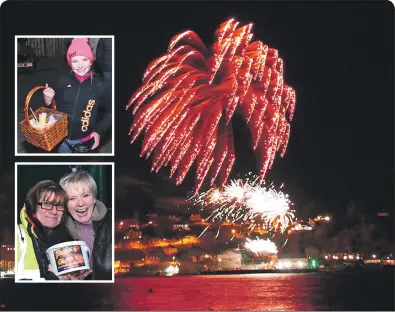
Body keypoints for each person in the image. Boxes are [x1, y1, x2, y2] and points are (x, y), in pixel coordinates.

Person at [43, 37, 112, 153]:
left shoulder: (100, 85)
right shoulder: (62, 81)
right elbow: (54, 110)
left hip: (85, 142)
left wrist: (99, 131)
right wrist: (48, 100)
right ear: (69, 63)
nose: (80, 65)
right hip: (61, 141)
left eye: (84, 60)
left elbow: (111, 111)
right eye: (75, 61)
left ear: (91, 61)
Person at [16, 180, 92, 281]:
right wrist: (52, 279)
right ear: (33, 207)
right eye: (47, 204)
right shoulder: (18, 236)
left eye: (59, 205)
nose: (54, 211)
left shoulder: (66, 240)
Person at [59, 170, 112, 280]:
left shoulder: (112, 224)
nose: (80, 203)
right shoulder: (59, 233)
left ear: (94, 198)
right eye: (72, 198)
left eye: (85, 195)